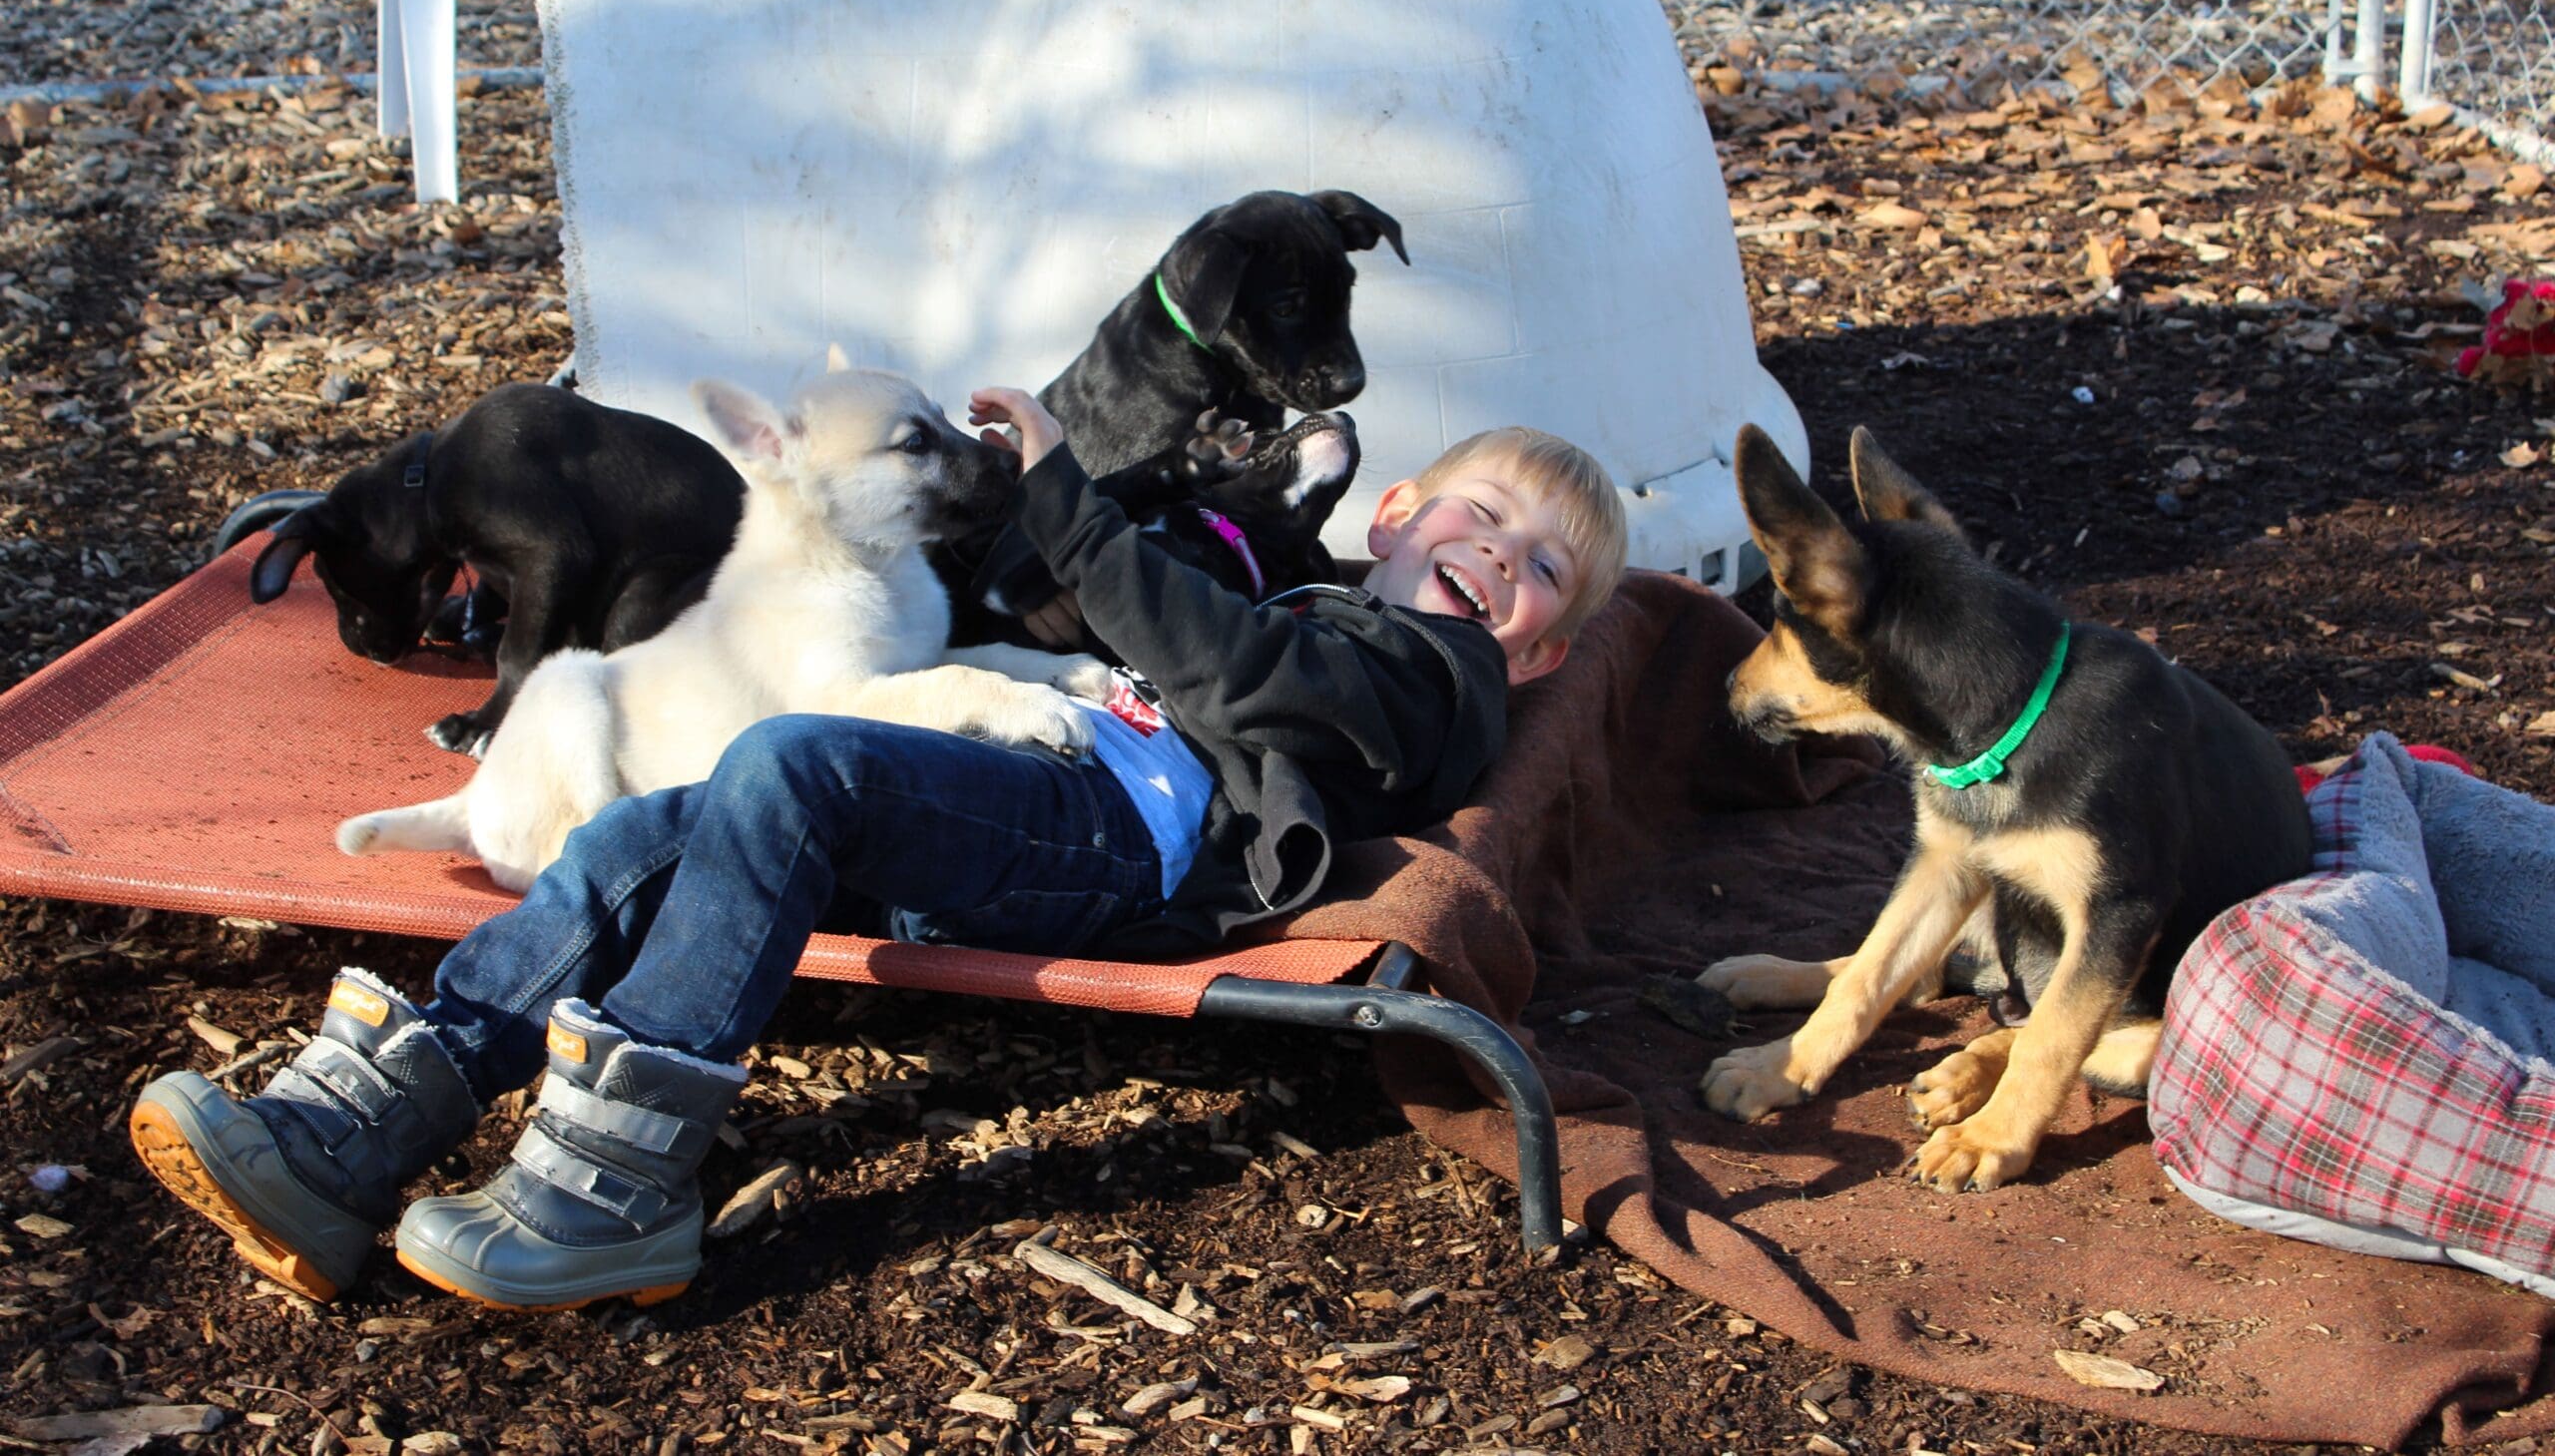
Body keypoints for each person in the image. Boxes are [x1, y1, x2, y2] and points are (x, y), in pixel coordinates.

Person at [129, 388, 1630, 1311]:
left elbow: (1236, 676)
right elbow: (1172, 630)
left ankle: (618, 1183)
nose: (1504, 553)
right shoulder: (1313, 593)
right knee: (660, 828)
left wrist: (1066, 498)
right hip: (1026, 790)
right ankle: (365, 1127)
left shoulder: (1431, 679)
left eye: (1542, 567)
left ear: (1543, 652)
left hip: (1115, 835)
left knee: (793, 759)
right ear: (1394, 514)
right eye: (1485, 513)